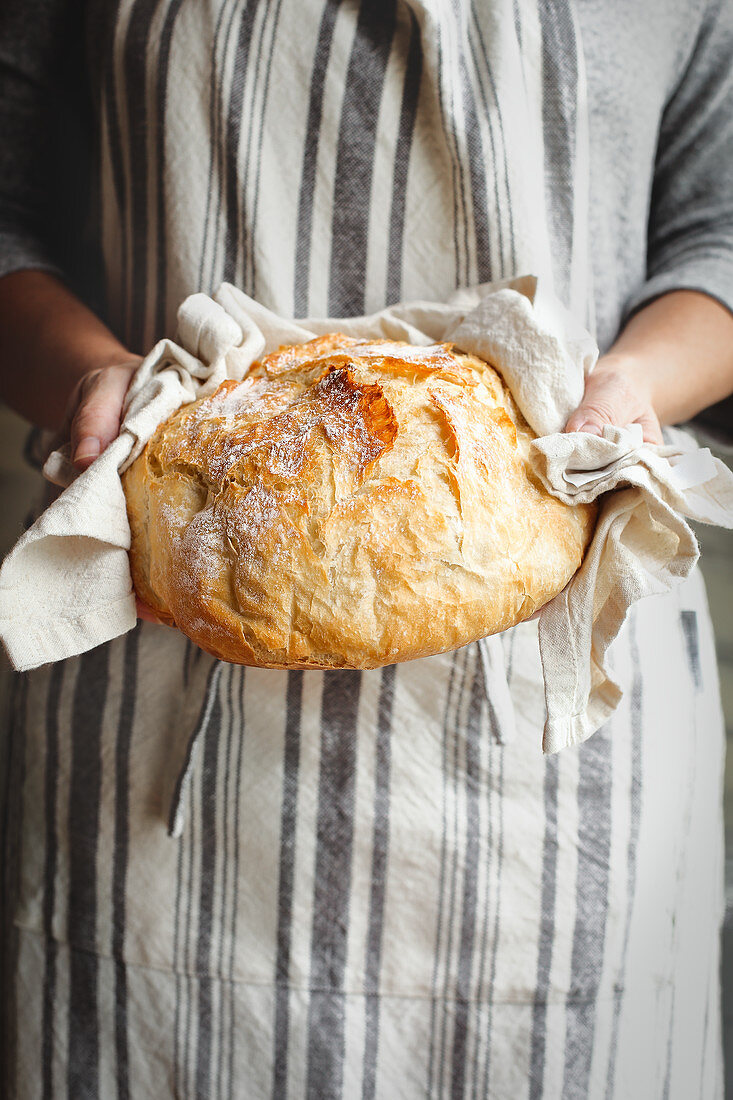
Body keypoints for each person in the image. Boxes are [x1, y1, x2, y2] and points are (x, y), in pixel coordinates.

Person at [1, 1, 732, 1097]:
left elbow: (717, 227)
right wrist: (96, 385)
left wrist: (624, 391)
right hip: (156, 748)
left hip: (553, 763)